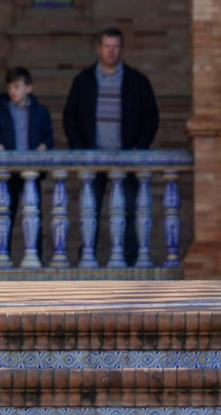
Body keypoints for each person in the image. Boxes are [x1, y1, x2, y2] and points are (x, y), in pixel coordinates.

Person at [62, 28, 159, 265]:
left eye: (115, 46)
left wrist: (139, 147)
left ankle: (131, 260)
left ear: (121, 49)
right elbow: (70, 117)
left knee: (129, 212)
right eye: (107, 46)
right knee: (90, 212)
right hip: (92, 159)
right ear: (99, 48)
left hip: (126, 160)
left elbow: (151, 117)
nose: (111, 51)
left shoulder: (137, 81)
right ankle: (87, 258)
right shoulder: (84, 80)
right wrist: (79, 149)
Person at [0, 66, 54, 261]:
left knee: (34, 218)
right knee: (6, 217)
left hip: (31, 172)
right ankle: (3, 258)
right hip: (7, 173)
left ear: (28, 88)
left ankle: (35, 259)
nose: (12, 91)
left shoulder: (40, 112)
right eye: (10, 87)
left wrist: (43, 147)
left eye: (17, 86)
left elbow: (49, 136)